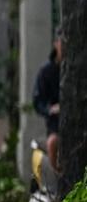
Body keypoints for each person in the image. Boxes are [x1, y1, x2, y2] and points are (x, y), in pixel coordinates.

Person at [34, 29, 62, 176]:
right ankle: (57, 176)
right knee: (53, 142)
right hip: (55, 125)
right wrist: (51, 109)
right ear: (56, 44)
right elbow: (38, 102)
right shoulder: (46, 72)